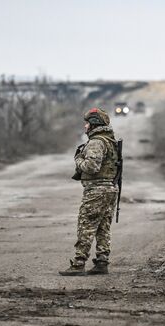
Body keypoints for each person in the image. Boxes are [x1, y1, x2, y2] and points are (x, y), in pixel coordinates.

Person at [59, 108, 119, 276]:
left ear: (94, 124)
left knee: (86, 225)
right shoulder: (109, 140)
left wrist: (78, 160)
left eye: (87, 123)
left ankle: (78, 264)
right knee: (103, 227)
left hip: (97, 190)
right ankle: (102, 262)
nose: (85, 126)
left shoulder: (96, 142)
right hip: (109, 189)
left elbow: (92, 167)